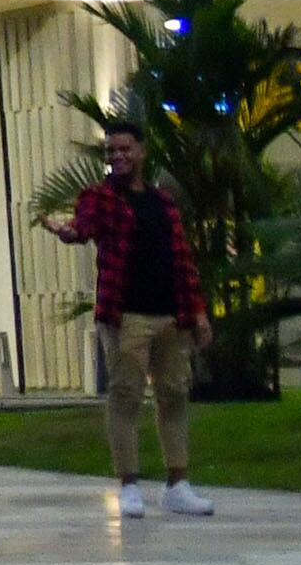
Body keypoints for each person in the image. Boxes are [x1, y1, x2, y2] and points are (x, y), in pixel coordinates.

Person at [51, 127, 212, 518]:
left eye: (125, 148)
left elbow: (183, 261)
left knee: (174, 394)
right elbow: (83, 227)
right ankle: (129, 485)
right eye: (111, 150)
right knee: (125, 396)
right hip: (126, 316)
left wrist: (198, 314)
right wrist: (67, 231)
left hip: (171, 315)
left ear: (142, 151)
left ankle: (178, 482)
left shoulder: (163, 203)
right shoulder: (99, 197)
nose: (118, 156)